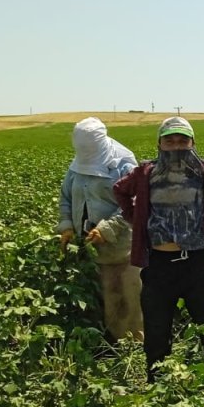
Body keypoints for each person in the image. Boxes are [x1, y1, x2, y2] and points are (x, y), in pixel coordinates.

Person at [114, 117, 204, 381]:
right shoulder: (146, 172)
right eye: (169, 141)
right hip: (159, 263)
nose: (176, 146)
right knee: (157, 331)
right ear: (159, 143)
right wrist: (136, 216)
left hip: (199, 262)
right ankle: (157, 385)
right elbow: (120, 190)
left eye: (183, 140)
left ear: (192, 143)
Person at [57, 117, 143, 342]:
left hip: (122, 246)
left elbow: (134, 202)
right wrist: (66, 226)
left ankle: (130, 349)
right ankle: (105, 343)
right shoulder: (77, 165)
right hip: (87, 245)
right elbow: (66, 197)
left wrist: (107, 228)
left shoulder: (123, 163)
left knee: (127, 298)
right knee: (102, 296)